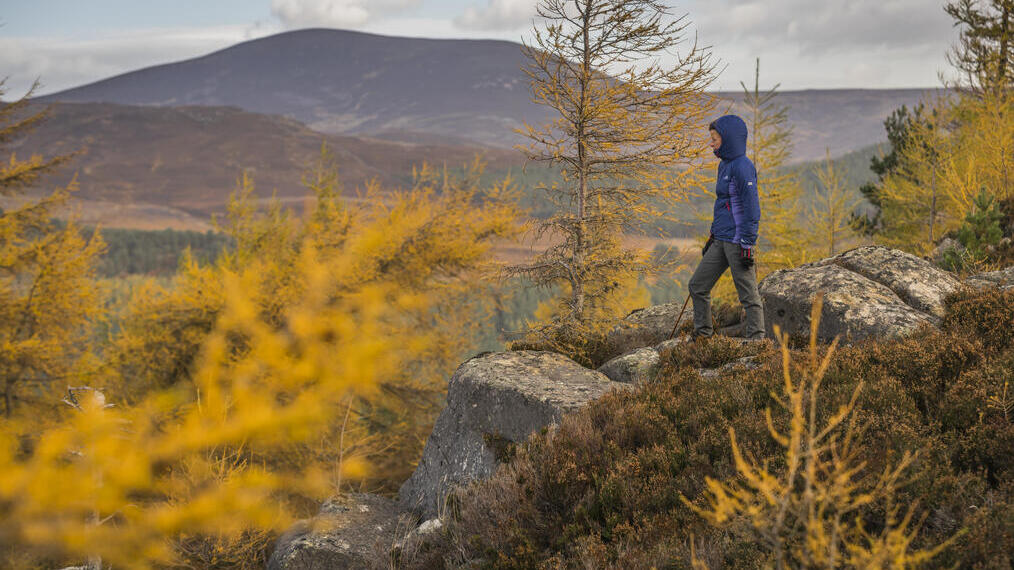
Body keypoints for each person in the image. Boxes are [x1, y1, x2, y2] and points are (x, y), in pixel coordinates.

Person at [687, 114, 765, 341]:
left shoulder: (743, 167)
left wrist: (747, 244)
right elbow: (724, 204)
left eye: (715, 139)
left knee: (748, 294)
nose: (711, 143)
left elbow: (751, 208)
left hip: (738, 241)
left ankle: (757, 342)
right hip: (721, 239)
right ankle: (703, 336)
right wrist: (713, 234)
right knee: (697, 286)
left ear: (728, 138)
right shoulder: (724, 165)